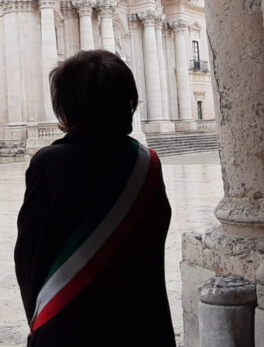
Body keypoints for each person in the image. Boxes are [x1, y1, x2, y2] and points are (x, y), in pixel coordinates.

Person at [14, 50, 175, 346]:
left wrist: (42, 327)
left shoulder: (49, 164)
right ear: (128, 103)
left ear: (66, 108)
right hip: (143, 325)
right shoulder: (147, 162)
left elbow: (30, 260)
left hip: (72, 328)